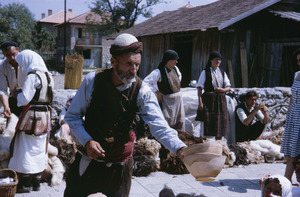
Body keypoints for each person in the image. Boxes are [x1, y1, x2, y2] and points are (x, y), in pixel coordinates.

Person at [63, 33, 187, 197]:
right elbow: (72, 117)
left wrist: (180, 147)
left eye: (137, 65)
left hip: (120, 166)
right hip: (88, 161)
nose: (134, 70)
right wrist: (87, 141)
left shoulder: (142, 91)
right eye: (129, 64)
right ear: (113, 61)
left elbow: (159, 126)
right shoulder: (93, 81)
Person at [8, 49, 54, 193]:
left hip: (31, 117)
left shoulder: (32, 76)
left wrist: (16, 93)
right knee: (39, 148)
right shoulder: (48, 76)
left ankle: (26, 184)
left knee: (25, 147)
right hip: (44, 116)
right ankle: (37, 183)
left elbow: (24, 99)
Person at [143, 49, 185, 130]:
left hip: (178, 100)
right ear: (168, 60)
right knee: (168, 121)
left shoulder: (175, 69)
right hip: (168, 101)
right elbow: (145, 82)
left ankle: (180, 139)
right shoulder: (158, 71)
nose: (176, 62)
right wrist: (157, 92)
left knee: (179, 121)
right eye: (175, 60)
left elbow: (179, 77)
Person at [195, 51, 231, 139]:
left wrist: (222, 90)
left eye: (219, 60)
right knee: (208, 123)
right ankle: (206, 144)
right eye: (216, 59)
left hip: (220, 101)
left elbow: (228, 87)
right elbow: (199, 88)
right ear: (211, 60)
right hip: (208, 100)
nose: (218, 62)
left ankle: (218, 144)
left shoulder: (222, 73)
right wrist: (200, 103)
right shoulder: (205, 72)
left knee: (220, 123)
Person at [280, 48, 300, 183]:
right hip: (294, 115)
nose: (299, 63)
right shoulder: (297, 74)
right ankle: (286, 180)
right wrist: (288, 114)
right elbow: (292, 96)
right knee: (291, 150)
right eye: (298, 60)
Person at [0, 41, 22, 118]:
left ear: (18, 50)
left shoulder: (25, 61)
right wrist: (6, 106)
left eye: (13, 54)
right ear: (3, 54)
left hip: (29, 97)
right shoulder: (2, 66)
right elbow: (3, 90)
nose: (12, 58)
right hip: (13, 98)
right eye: (8, 55)